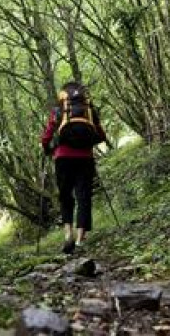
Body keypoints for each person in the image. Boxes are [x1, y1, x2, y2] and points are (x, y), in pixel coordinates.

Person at [40, 81, 107, 254]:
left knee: (65, 196)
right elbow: (101, 135)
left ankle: (67, 233)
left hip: (63, 157)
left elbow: (46, 135)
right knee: (84, 196)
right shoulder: (88, 109)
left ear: (64, 94)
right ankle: (79, 240)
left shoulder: (59, 109)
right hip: (85, 158)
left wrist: (47, 149)